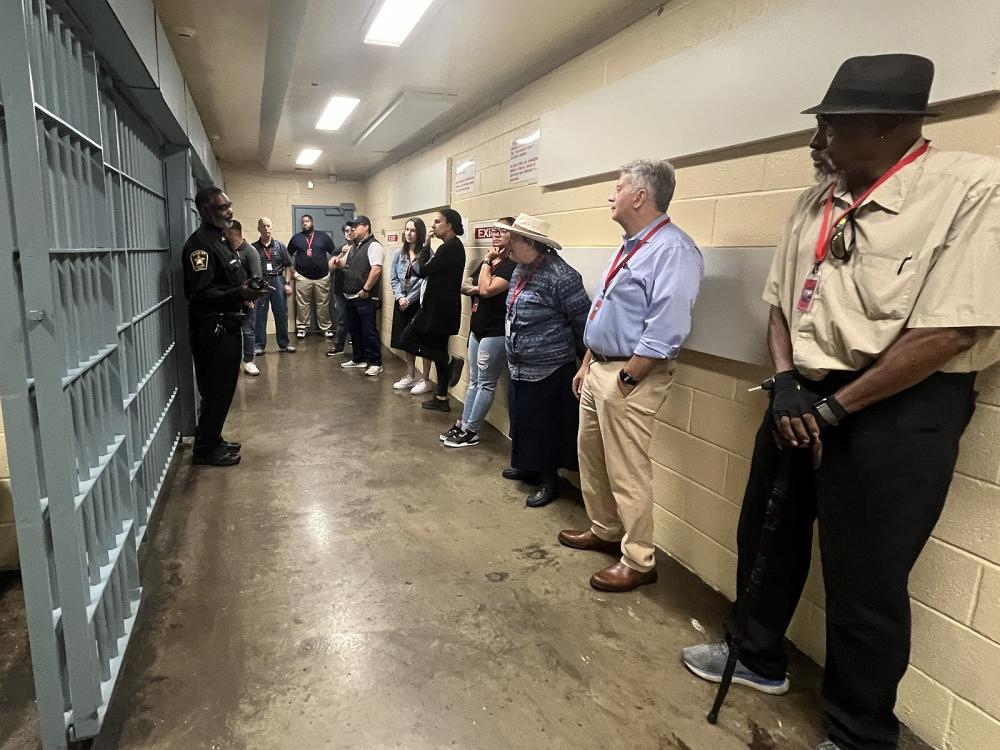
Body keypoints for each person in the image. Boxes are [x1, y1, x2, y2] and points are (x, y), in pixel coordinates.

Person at [681, 54, 1000, 750]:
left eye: (831, 126)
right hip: (801, 391)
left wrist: (836, 409)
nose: (816, 140)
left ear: (890, 127)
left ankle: (858, 732)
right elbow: (779, 305)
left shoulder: (972, 189)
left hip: (899, 407)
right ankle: (757, 656)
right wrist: (790, 382)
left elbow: (952, 330)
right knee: (767, 534)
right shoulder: (815, 201)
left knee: (866, 579)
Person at [558, 160, 704, 593]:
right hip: (600, 364)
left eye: (618, 187)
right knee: (592, 456)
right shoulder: (629, 246)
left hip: (631, 374)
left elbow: (668, 325)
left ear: (640, 196)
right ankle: (604, 529)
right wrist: (587, 362)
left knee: (627, 470)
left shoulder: (673, 250)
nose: (611, 195)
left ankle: (639, 559)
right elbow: (606, 309)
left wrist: (627, 377)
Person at [502, 214, 591, 507]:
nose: (508, 243)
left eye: (513, 238)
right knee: (524, 420)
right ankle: (527, 465)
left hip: (550, 368)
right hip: (520, 365)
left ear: (530, 243)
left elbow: (582, 323)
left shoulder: (562, 276)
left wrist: (585, 365)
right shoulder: (520, 269)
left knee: (546, 426)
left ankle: (549, 480)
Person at [182, 187, 268, 466]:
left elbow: (227, 281)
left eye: (229, 206)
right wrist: (240, 293)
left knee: (224, 389)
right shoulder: (200, 247)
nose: (229, 211)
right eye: (222, 208)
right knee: (215, 389)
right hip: (212, 330)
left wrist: (245, 291)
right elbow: (202, 294)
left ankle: (213, 438)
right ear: (205, 211)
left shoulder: (220, 240)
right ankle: (204, 448)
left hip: (228, 326)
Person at [442, 216, 517, 448]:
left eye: (503, 232)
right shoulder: (492, 262)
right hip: (477, 328)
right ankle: (464, 423)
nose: (496, 235)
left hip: (495, 332)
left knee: (485, 382)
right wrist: (479, 286)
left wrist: (485, 266)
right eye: (494, 231)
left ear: (513, 237)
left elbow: (487, 290)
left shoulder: (511, 265)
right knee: (474, 380)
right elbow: (466, 285)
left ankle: (472, 430)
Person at [401, 209, 466, 411]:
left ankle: (450, 365)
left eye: (438, 222)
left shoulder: (451, 247)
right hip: (437, 307)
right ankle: (441, 398)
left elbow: (423, 270)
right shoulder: (448, 247)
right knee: (432, 348)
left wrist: (425, 248)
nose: (434, 225)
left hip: (441, 310)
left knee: (411, 339)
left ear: (450, 226)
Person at [333, 215, 385, 376]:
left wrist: (366, 289)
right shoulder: (354, 246)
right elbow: (344, 264)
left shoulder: (374, 246)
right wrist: (337, 260)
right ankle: (358, 359)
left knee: (369, 330)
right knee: (354, 330)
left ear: (366, 227)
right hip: (350, 296)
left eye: (356, 226)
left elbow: (376, 269)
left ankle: (376, 362)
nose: (353, 230)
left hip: (365, 296)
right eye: (351, 227)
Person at [389, 218, 433, 391]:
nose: (409, 233)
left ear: (420, 233)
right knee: (406, 340)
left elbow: (426, 281)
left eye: (413, 230)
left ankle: (426, 379)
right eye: (407, 230)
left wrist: (410, 299)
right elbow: (393, 278)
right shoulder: (398, 254)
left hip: (418, 303)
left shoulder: (427, 253)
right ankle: (410, 374)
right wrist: (400, 297)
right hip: (402, 302)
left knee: (422, 340)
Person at [225, 220, 264, 376]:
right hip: (230, 298)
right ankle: (231, 361)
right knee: (231, 332)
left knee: (248, 331)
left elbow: (257, 279)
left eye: (225, 232)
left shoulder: (250, 251)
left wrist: (250, 299)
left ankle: (248, 361)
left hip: (247, 300)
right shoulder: (226, 250)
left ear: (232, 233)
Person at [288, 214, 335, 340]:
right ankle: (302, 328)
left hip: (322, 277)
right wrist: (294, 273)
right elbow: (287, 257)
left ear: (312, 222)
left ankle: (326, 328)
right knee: (302, 304)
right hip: (303, 278)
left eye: (307, 221)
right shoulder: (296, 238)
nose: (305, 223)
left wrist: (330, 268)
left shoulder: (323, 237)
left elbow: (335, 253)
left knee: (323, 304)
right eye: (303, 222)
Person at [252, 216, 295, 354]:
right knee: (260, 315)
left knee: (281, 314)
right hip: (261, 283)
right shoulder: (253, 248)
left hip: (278, 281)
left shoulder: (280, 246)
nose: (266, 228)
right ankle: (259, 345)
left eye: (268, 226)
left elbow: (288, 265)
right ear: (258, 229)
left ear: (272, 227)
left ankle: (284, 344)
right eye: (263, 226)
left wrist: (287, 283)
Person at [326, 221, 353, 356]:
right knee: (342, 319)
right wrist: (342, 255)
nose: (349, 233)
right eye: (346, 231)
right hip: (340, 289)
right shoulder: (338, 249)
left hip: (355, 290)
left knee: (356, 319)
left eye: (351, 230)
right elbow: (330, 268)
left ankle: (357, 346)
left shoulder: (361, 248)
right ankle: (338, 346)